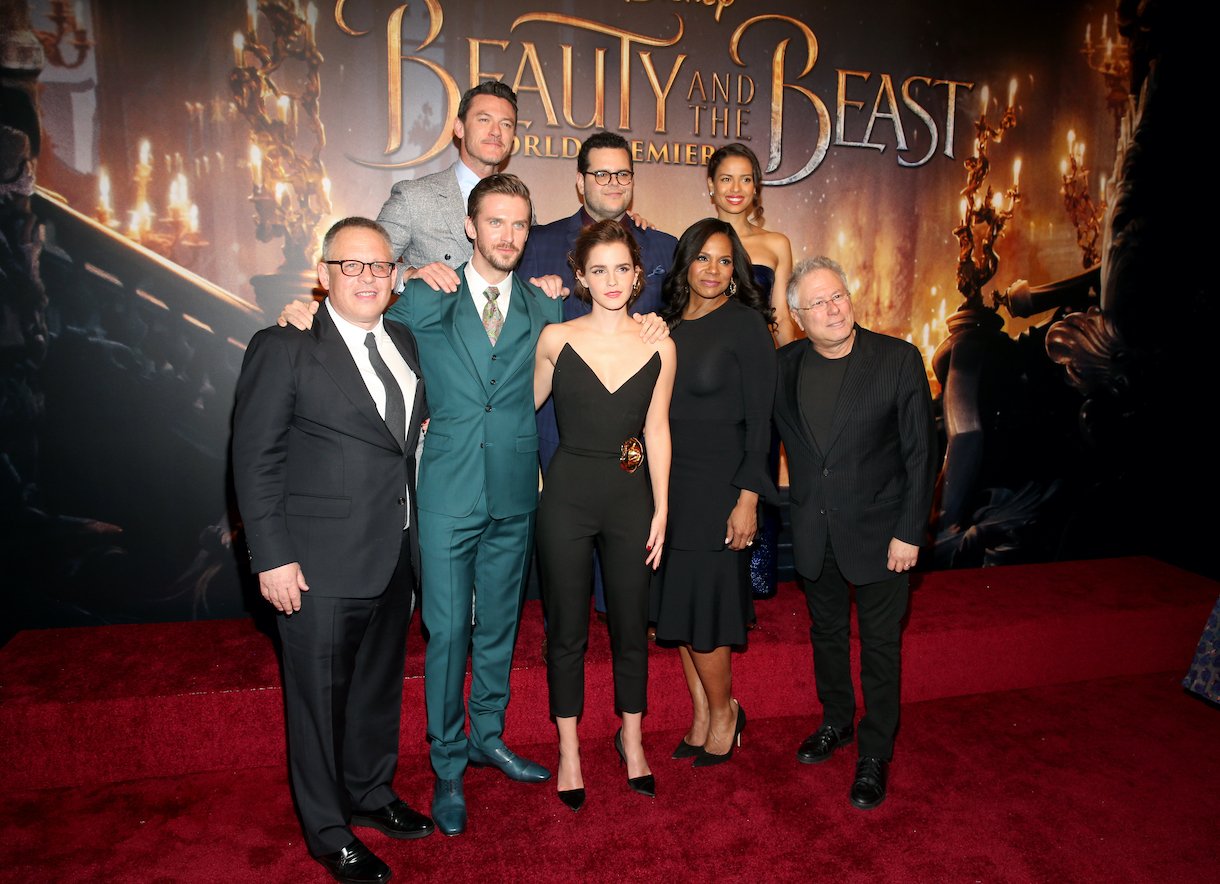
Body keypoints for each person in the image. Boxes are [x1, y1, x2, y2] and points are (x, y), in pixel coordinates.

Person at [282, 175, 560, 837]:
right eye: (495, 222)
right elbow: (354, 326)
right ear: (470, 227)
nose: (508, 236)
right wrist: (300, 316)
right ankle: (448, 768)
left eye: (520, 224)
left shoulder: (544, 307)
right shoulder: (424, 297)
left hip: (516, 492)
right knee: (448, 634)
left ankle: (489, 736)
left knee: (498, 627)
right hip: (443, 495)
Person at [233, 217, 433, 883]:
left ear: (396, 278)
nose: (369, 277)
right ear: (324, 275)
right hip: (315, 565)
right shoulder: (282, 346)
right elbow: (253, 461)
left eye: (380, 267)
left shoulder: (403, 341)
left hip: (393, 556)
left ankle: (371, 793)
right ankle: (327, 830)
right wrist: (271, 557)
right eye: (353, 266)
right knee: (317, 702)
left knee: (376, 691)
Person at [773, 256, 937, 811]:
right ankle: (837, 722)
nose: (831, 309)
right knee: (826, 634)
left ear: (850, 297)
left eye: (837, 295)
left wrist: (911, 531)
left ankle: (875, 750)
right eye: (816, 303)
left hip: (884, 535)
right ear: (798, 317)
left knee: (881, 645)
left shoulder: (897, 358)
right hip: (814, 533)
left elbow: (922, 452)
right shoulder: (784, 366)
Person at [533, 220, 676, 811]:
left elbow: (658, 430)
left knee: (629, 627)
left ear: (638, 275)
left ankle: (633, 742)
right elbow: (516, 411)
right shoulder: (554, 338)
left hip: (631, 497)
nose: (612, 280)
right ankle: (568, 750)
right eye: (599, 270)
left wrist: (663, 506)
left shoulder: (660, 343)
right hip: (565, 497)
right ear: (580, 278)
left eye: (622, 268)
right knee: (565, 631)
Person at [522, 131, 679, 616]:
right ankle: (561, 629)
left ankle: (625, 618)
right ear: (579, 181)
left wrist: (663, 321)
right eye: (601, 173)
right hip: (557, 425)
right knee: (563, 558)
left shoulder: (661, 246)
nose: (613, 183)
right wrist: (533, 294)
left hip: (626, 434)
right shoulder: (540, 241)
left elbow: (677, 317)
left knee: (624, 577)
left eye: (623, 174)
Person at [653, 218, 777, 767]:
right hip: (670, 488)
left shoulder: (747, 325)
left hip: (720, 488)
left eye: (725, 261)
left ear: (737, 271)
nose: (712, 270)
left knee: (706, 611)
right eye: (703, 258)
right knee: (680, 611)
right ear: (685, 263)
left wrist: (748, 497)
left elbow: (763, 420)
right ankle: (701, 714)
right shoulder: (668, 324)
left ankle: (726, 713)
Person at [706, 142, 796, 602]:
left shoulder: (776, 244)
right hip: (709, 384)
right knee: (711, 478)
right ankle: (713, 575)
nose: (736, 188)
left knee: (757, 472)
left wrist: (795, 378)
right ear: (711, 187)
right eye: (726, 179)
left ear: (757, 187)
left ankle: (755, 581)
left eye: (745, 179)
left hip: (761, 380)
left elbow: (780, 316)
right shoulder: (698, 242)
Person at [376, 80, 516, 289]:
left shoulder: (521, 205)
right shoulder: (413, 197)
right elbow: (369, 263)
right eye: (484, 120)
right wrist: (410, 276)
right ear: (459, 128)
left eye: (506, 124)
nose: (496, 131)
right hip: (436, 319)